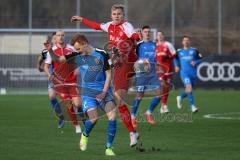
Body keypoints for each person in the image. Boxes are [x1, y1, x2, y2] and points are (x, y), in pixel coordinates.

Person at [71, 4, 140, 147]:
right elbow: (96, 26)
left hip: (128, 61)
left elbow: (134, 35)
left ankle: (137, 77)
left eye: (119, 14)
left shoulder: (126, 26)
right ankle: (132, 132)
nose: (116, 16)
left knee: (119, 97)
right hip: (118, 63)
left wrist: (136, 36)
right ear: (111, 15)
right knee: (119, 101)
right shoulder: (109, 26)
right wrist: (82, 19)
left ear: (123, 15)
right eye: (114, 14)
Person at [45, 34, 117, 156]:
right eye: (76, 49)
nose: (77, 51)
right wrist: (50, 50)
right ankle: (85, 134)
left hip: (104, 91)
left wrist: (104, 92)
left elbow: (109, 74)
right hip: (87, 93)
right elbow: (58, 59)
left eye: (78, 48)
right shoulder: (77, 55)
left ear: (85, 43)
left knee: (113, 116)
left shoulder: (102, 54)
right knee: (94, 119)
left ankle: (108, 148)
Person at [44, 30, 82, 133]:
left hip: (72, 81)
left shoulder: (71, 48)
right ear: (55, 38)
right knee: (68, 103)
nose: (60, 37)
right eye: (58, 35)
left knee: (78, 104)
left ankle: (80, 111)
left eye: (62, 35)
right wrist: (49, 75)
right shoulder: (51, 51)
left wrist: (78, 68)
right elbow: (46, 66)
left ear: (65, 37)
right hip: (59, 83)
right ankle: (76, 126)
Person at [131, 26, 162, 128]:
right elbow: (133, 59)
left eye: (149, 32)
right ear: (142, 33)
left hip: (152, 73)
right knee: (139, 96)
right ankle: (133, 117)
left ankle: (148, 113)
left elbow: (157, 57)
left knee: (159, 94)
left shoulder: (155, 44)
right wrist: (142, 61)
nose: (147, 33)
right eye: (145, 32)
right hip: (142, 72)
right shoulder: (139, 45)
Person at [37, 32, 64, 129]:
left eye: (55, 38)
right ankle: (61, 116)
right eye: (53, 38)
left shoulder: (63, 49)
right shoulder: (48, 51)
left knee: (70, 99)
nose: (54, 40)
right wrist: (39, 67)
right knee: (52, 96)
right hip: (53, 77)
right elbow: (40, 58)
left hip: (65, 77)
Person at [174, 36, 202, 113]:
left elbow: (200, 59)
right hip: (184, 73)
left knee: (188, 90)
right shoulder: (179, 51)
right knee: (189, 88)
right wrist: (176, 65)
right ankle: (192, 106)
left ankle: (180, 97)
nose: (186, 42)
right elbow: (175, 58)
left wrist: (195, 62)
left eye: (187, 40)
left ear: (189, 42)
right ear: (182, 42)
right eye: (184, 40)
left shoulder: (194, 50)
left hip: (193, 73)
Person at [155, 31, 176, 113]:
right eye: (158, 35)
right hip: (160, 70)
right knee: (163, 85)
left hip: (168, 69)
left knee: (166, 87)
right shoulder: (155, 46)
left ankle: (163, 105)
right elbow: (153, 57)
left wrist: (168, 56)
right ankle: (164, 105)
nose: (160, 36)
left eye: (161, 35)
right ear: (156, 37)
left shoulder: (168, 44)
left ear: (163, 36)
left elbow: (174, 54)